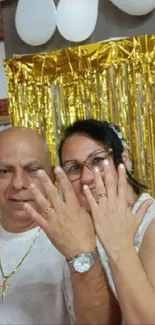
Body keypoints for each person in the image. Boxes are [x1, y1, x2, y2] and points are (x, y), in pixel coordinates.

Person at [23, 119, 155, 325]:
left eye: (96, 161)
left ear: (124, 159)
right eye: (74, 167)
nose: (86, 177)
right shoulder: (78, 229)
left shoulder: (150, 220)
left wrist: (118, 245)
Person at [0, 126, 121, 325]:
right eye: (4, 171)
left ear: (53, 178)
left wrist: (80, 255)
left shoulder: (81, 235)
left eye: (32, 170)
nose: (18, 183)